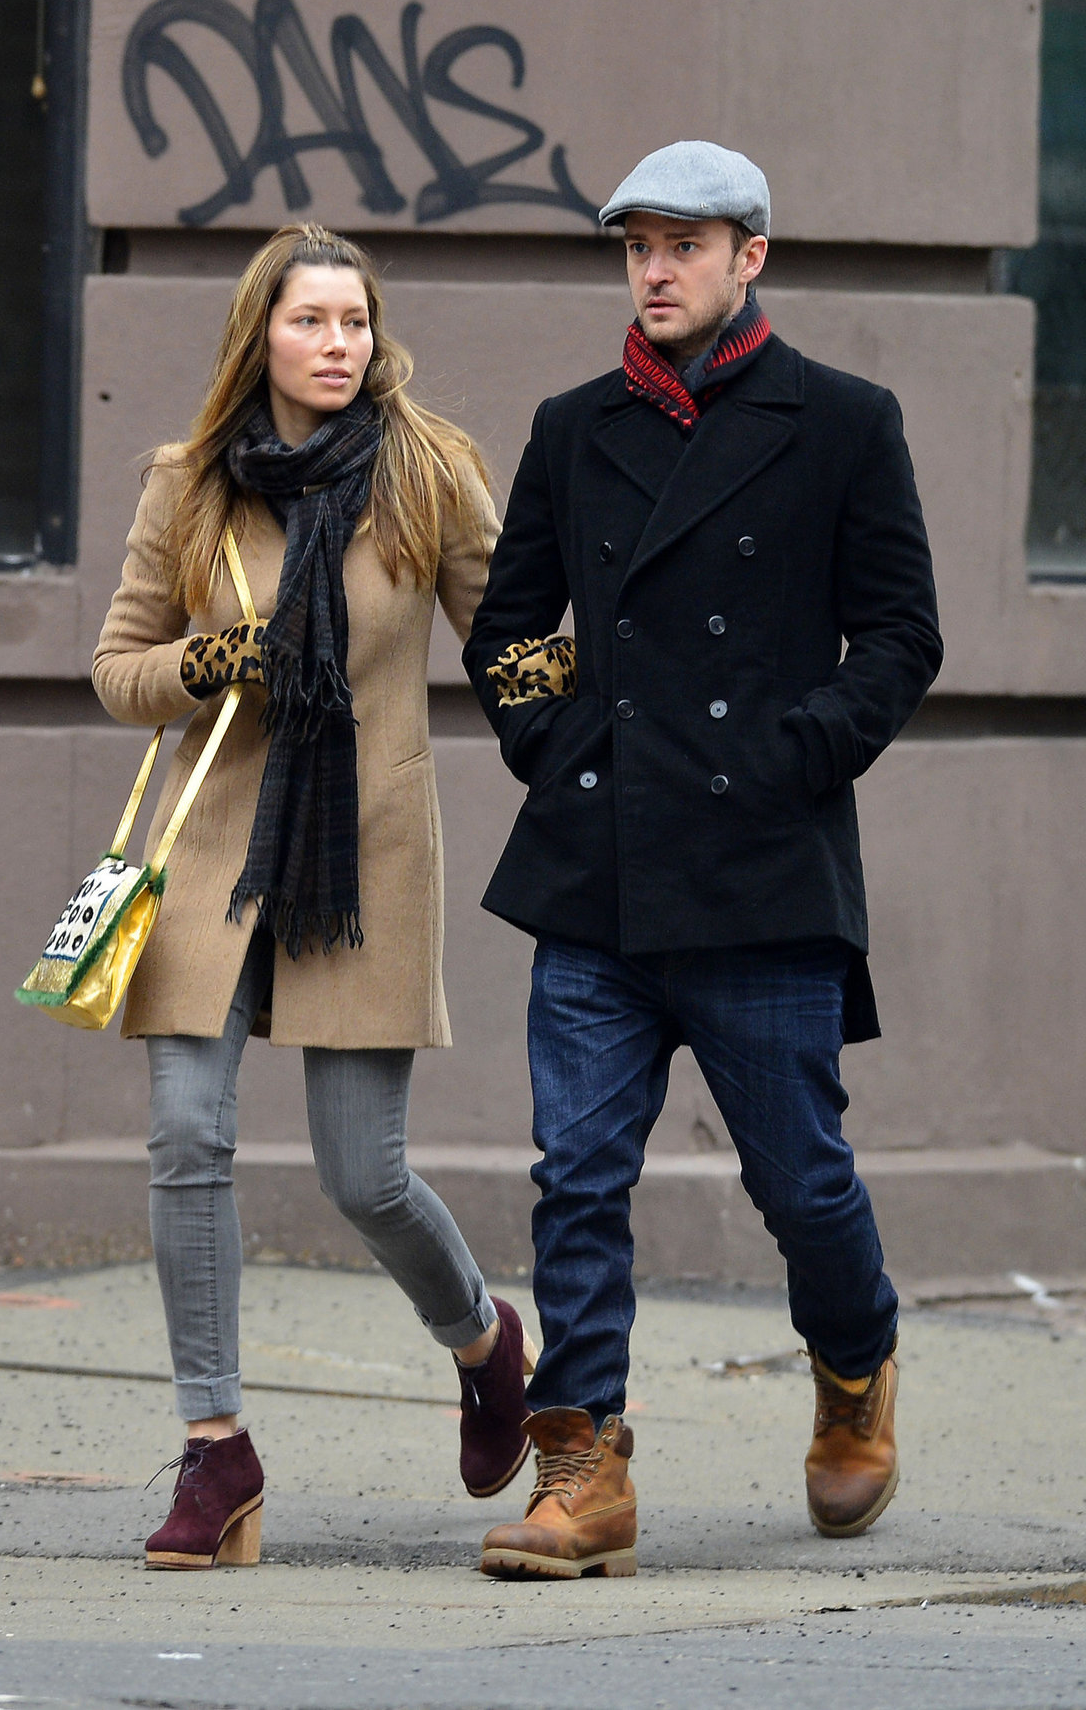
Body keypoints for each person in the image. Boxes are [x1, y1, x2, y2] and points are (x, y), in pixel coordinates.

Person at [463, 141, 943, 1580]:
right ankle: (584, 1470)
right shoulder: (573, 424)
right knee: (577, 1173)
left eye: (685, 244)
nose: (655, 270)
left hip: (762, 873)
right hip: (599, 868)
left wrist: (791, 757)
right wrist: (557, 744)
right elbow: (503, 629)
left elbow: (905, 638)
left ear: (752, 259)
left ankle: (854, 1365)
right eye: (638, 246)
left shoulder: (845, 422)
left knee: (800, 1182)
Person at [93, 223, 537, 1571]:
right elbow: (119, 671)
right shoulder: (191, 486)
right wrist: (210, 659)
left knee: (365, 1173)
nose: (338, 343)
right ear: (261, 337)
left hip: (368, 852)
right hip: (212, 845)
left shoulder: (429, 473)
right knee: (186, 1132)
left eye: (355, 320)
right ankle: (215, 1450)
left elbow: (509, 645)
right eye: (311, 322)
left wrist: (584, 697)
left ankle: (483, 1338)